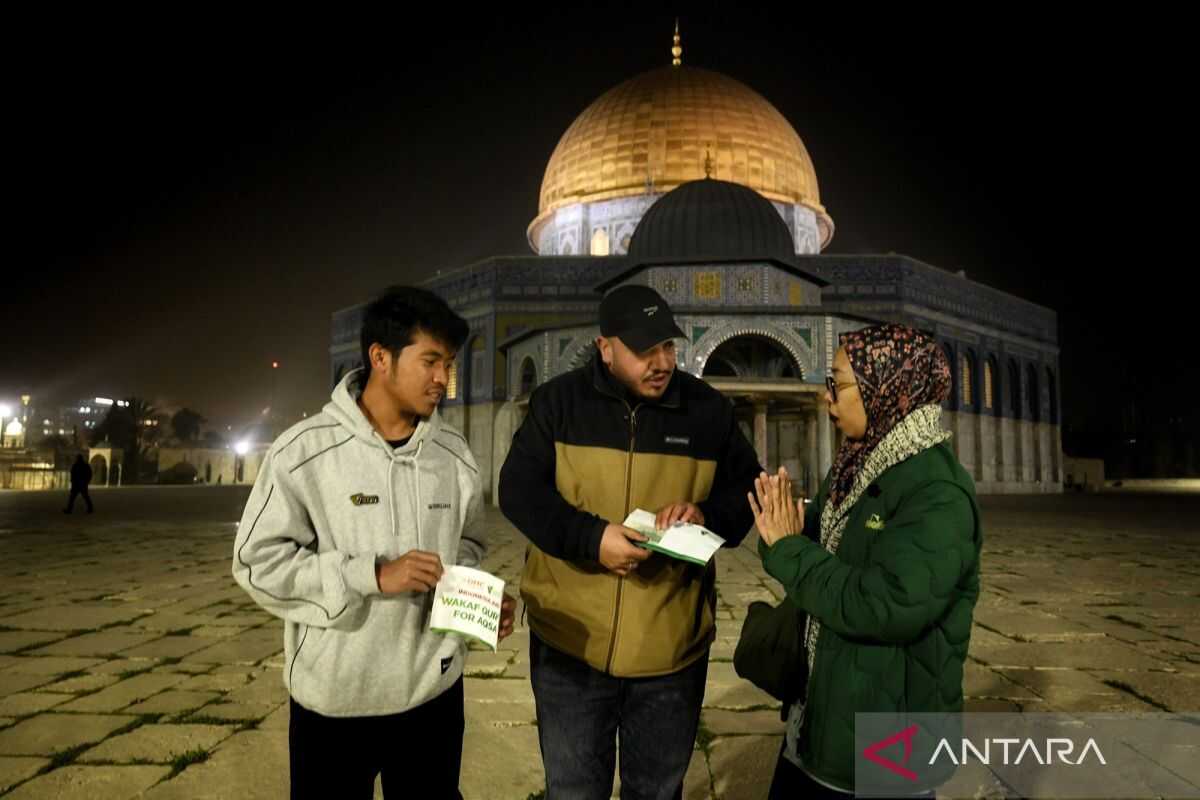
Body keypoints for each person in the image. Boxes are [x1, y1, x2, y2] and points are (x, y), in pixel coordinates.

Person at [232, 286, 515, 800]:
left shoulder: (453, 454)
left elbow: (468, 544)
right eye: (430, 361)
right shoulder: (304, 453)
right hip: (335, 702)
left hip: (433, 695)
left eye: (448, 364)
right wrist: (371, 575)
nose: (443, 378)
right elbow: (257, 562)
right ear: (380, 357)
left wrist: (473, 601)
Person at [499, 284, 762, 800]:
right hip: (570, 647)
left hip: (670, 650)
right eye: (644, 349)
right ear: (606, 348)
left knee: (656, 791)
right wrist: (592, 538)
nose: (661, 362)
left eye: (667, 346)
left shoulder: (707, 411)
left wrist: (704, 514)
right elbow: (518, 491)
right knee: (573, 791)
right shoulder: (558, 403)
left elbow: (746, 493)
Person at [749, 323, 982, 799]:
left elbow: (886, 604)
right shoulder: (861, 463)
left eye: (838, 383)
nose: (827, 396)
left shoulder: (936, 492)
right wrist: (783, 527)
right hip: (819, 722)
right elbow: (828, 541)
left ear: (887, 385)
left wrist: (789, 549)